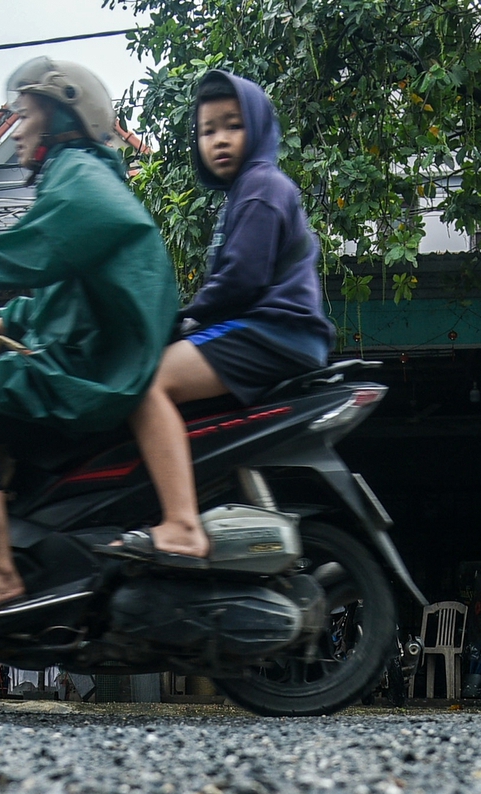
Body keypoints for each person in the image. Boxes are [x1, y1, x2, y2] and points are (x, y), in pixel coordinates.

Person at [0, 56, 177, 626]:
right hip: (90, 358)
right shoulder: (85, 181)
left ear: (60, 116)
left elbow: (29, 250)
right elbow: (50, 301)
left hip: (93, 370)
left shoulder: (80, 179)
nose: (18, 128)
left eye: (24, 115)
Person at [110, 70, 334, 566]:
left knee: (147, 385)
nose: (220, 140)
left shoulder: (259, 187)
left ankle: (183, 524)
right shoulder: (247, 191)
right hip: (274, 329)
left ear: (256, 127)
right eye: (208, 130)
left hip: (274, 330)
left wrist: (183, 320)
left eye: (232, 125)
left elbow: (240, 282)